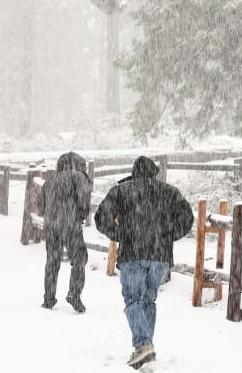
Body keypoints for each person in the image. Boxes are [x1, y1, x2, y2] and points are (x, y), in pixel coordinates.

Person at [94, 156, 194, 369]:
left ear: (134, 171)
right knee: (148, 300)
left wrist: (121, 235)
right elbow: (187, 219)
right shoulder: (169, 191)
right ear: (154, 172)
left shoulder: (121, 191)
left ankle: (143, 345)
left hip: (132, 254)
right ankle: (145, 347)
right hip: (160, 256)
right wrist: (167, 236)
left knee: (133, 300)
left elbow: (101, 218)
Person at [37, 151, 92, 312]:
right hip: (71, 225)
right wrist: (80, 216)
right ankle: (74, 294)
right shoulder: (79, 177)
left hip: (51, 226)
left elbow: (41, 208)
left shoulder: (49, 181)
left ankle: (48, 298)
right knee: (80, 259)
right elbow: (83, 202)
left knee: (52, 261)